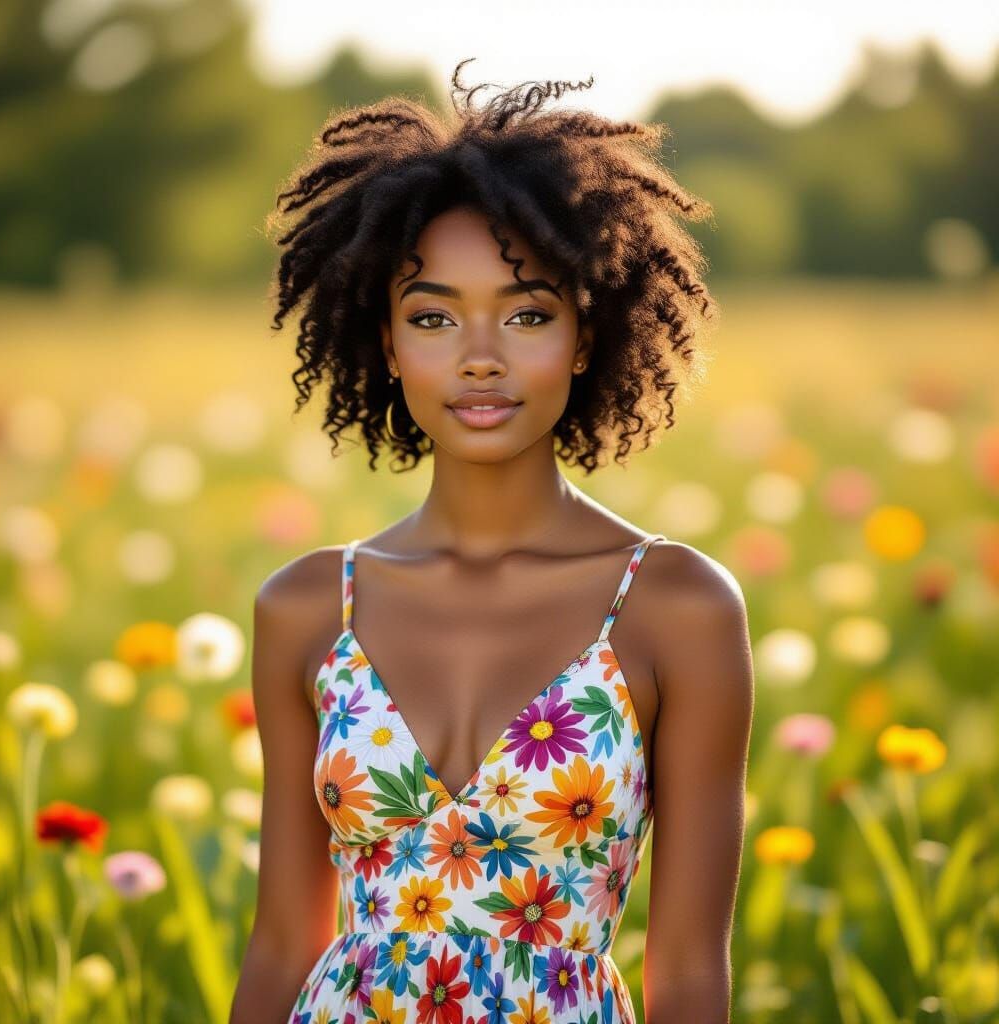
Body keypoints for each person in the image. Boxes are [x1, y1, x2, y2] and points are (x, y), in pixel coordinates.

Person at [231, 58, 754, 1024]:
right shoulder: (306, 606)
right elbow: (279, 946)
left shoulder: (676, 605)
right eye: (433, 316)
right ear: (385, 343)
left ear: (587, 334)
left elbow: (686, 973)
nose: (480, 356)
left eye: (525, 314)